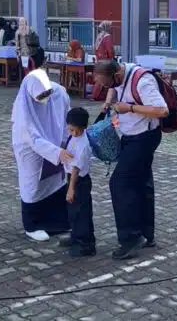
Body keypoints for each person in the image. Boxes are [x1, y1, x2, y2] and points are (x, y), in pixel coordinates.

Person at [93, 60, 168, 260]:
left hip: (144, 137)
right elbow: (114, 89)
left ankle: (131, 238)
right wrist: (109, 102)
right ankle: (146, 234)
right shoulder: (119, 72)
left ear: (116, 75)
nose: (108, 88)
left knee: (120, 183)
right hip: (130, 136)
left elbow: (162, 110)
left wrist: (130, 108)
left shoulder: (142, 81)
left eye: (108, 84)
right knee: (141, 182)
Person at [11, 69, 71, 242]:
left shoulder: (59, 93)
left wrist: (66, 142)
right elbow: (32, 138)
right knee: (33, 182)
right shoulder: (24, 107)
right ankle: (32, 224)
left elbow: (67, 119)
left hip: (55, 141)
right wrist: (58, 153)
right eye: (40, 95)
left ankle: (58, 222)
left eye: (47, 93)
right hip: (29, 147)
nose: (45, 98)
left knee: (56, 180)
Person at [58, 107, 95, 257]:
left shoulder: (83, 145)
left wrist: (71, 189)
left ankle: (85, 243)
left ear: (83, 128)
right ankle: (76, 235)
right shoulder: (75, 137)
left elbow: (76, 169)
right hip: (71, 177)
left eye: (74, 130)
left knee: (81, 213)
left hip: (79, 181)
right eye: (70, 129)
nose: (71, 133)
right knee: (73, 211)